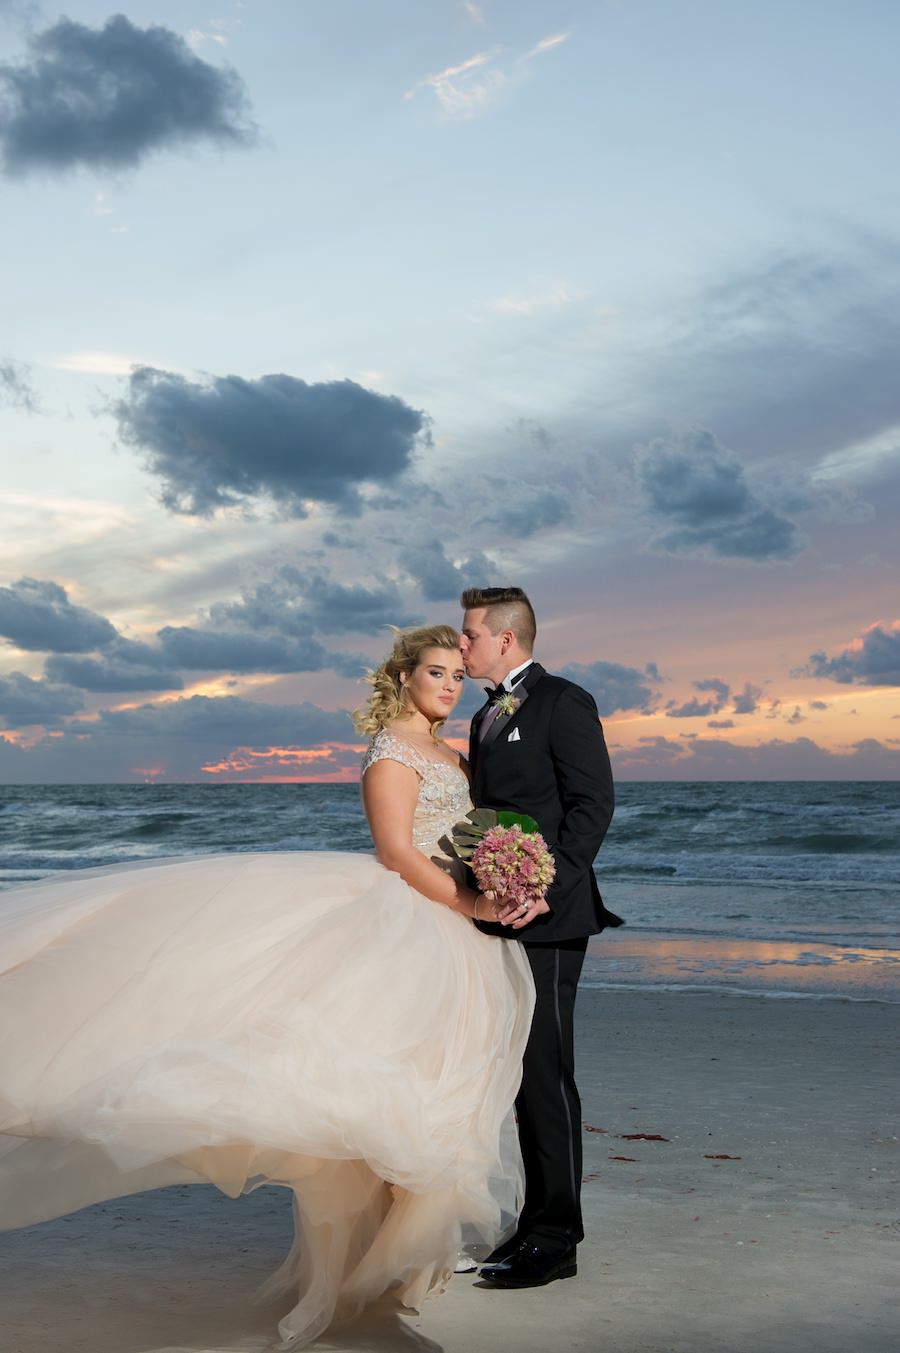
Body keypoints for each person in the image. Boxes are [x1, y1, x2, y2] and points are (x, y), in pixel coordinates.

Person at [0, 624, 535, 1348]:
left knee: (440, 1088)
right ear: (403, 677)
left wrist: (507, 869)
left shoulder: (454, 753)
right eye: (434, 671)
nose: (447, 683)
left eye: (454, 674)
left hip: (459, 935)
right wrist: (467, 901)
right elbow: (396, 850)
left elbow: (466, 831)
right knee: (382, 1101)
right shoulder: (391, 753)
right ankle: (363, 1269)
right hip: (413, 927)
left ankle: (406, 1261)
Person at [459, 587, 617, 1290]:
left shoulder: (563, 701)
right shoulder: (484, 715)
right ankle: (532, 1219)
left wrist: (545, 887)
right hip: (499, 913)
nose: (460, 647)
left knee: (547, 1071)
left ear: (507, 638)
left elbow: (593, 804)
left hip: (553, 920)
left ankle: (560, 1236)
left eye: (469, 636)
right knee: (520, 1071)